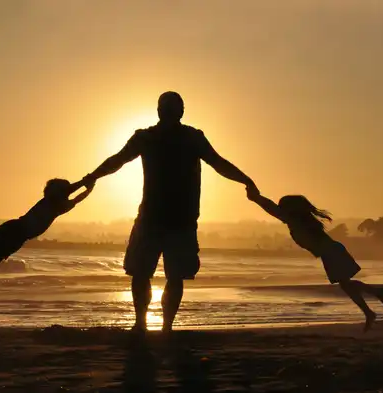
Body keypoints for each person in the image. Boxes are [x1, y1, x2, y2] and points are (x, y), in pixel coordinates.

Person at [80, 91, 257, 332]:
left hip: (169, 219)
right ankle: (158, 326)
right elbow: (118, 160)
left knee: (151, 274)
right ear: (177, 112)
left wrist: (245, 180)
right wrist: (92, 176)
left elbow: (218, 163)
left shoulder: (172, 138)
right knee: (156, 275)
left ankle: (149, 325)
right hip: (168, 219)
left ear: (162, 111)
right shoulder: (166, 138)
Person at [247, 191, 383, 332]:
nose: (280, 209)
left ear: (290, 208)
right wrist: (256, 198)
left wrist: (257, 198)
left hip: (332, 252)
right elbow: (273, 208)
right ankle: (371, 305)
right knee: (346, 284)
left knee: (345, 284)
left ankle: (373, 300)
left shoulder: (296, 220)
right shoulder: (301, 219)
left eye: (282, 206)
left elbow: (271, 207)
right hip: (332, 252)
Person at [0, 179, 94, 278]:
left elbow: (77, 198)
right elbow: (71, 190)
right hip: (17, 227)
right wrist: (85, 182)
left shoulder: (61, 207)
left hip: (22, 237)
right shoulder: (48, 201)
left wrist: (89, 187)